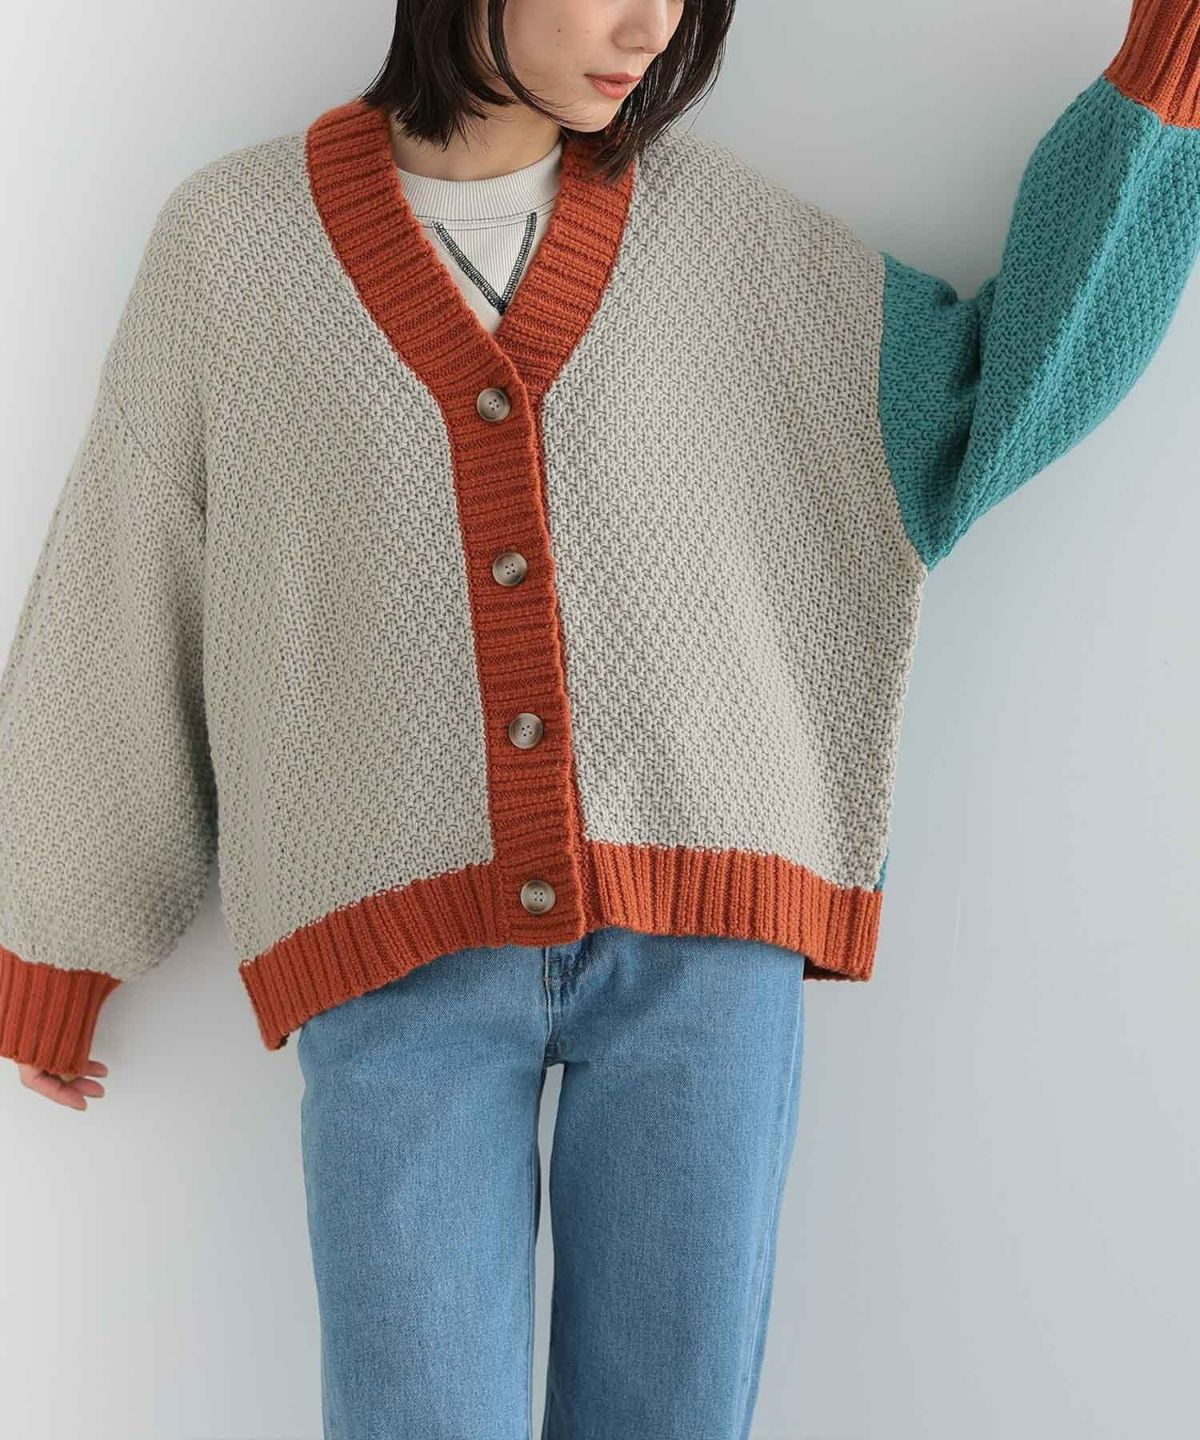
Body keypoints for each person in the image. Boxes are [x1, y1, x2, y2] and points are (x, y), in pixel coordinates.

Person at [1, 0, 1197, 1435]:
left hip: (705, 952)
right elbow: (130, 571)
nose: (650, 25)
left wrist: (1163, 90)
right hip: (394, 954)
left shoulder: (737, 245)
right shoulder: (233, 248)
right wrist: (57, 933)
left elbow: (987, 400)